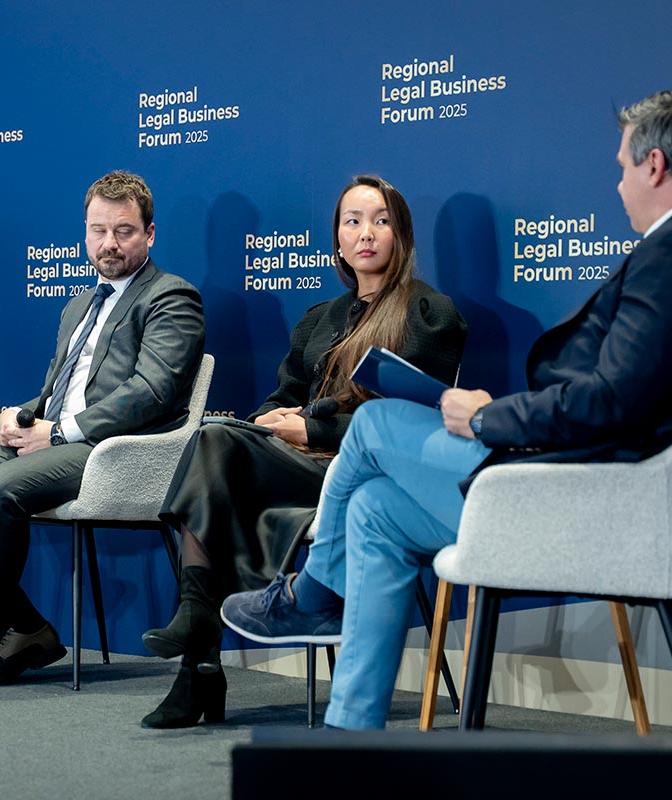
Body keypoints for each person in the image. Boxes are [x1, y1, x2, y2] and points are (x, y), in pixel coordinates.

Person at [221, 88, 672, 729]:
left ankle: (310, 593)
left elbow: (612, 401)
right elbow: (626, 393)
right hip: (601, 484)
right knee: (373, 510)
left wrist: (489, 419)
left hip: (597, 499)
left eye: (623, 166)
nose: (619, 183)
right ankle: (352, 737)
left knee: (374, 422)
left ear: (654, 165)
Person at [140, 176, 467, 728]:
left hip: (359, 475)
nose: (366, 233)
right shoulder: (320, 318)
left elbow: (413, 425)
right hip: (295, 464)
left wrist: (312, 431)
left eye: (381, 220)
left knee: (216, 451)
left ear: (402, 234)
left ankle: (198, 650)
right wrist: (269, 420)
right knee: (218, 446)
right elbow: (284, 395)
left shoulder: (430, 313)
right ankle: (199, 652)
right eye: (352, 222)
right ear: (338, 239)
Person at [0, 171, 205, 687]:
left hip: (115, 450)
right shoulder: (78, 306)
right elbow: (57, 391)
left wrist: (60, 432)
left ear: (150, 234)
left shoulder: (171, 296)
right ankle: (26, 627)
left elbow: (152, 391)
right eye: (98, 230)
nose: (109, 244)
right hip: (59, 442)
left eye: (124, 231)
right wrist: (20, 414)